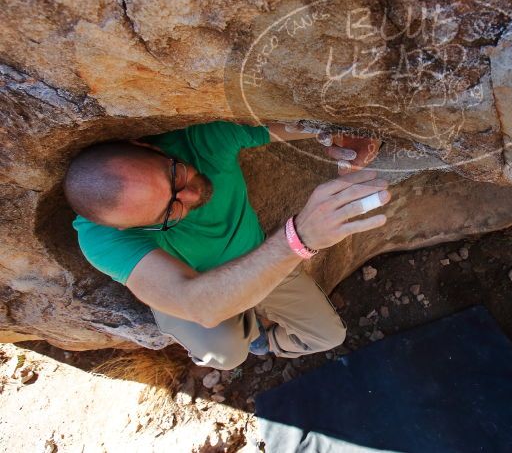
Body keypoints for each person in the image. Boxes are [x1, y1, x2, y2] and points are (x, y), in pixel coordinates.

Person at [64, 120, 390, 370]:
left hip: (262, 262)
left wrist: (340, 132)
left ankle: (265, 341)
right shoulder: (102, 238)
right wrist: (298, 238)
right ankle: (245, 336)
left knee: (328, 336)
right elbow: (197, 305)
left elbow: (300, 123)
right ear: (127, 227)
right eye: (169, 211)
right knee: (226, 355)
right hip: (195, 286)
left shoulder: (198, 143)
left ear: (148, 147)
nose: (191, 194)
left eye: (175, 176)